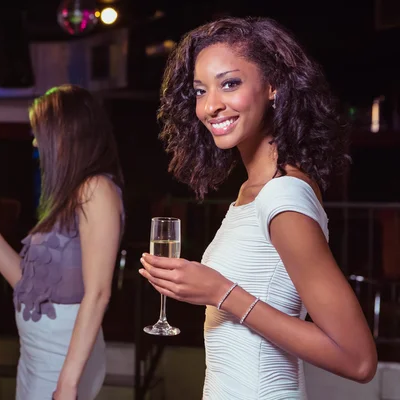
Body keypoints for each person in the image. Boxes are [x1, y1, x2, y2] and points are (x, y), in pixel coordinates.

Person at [139, 17, 378, 399]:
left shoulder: (282, 197)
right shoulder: (254, 191)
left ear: (273, 87)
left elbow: (359, 360)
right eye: (201, 91)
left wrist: (221, 292)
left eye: (229, 83)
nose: (211, 106)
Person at [0, 84, 124, 400]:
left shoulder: (96, 188)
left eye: (40, 133)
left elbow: (98, 292)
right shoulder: (67, 195)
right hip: (37, 352)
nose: (35, 142)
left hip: (63, 353)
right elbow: (24, 280)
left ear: (68, 133)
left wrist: (68, 383)